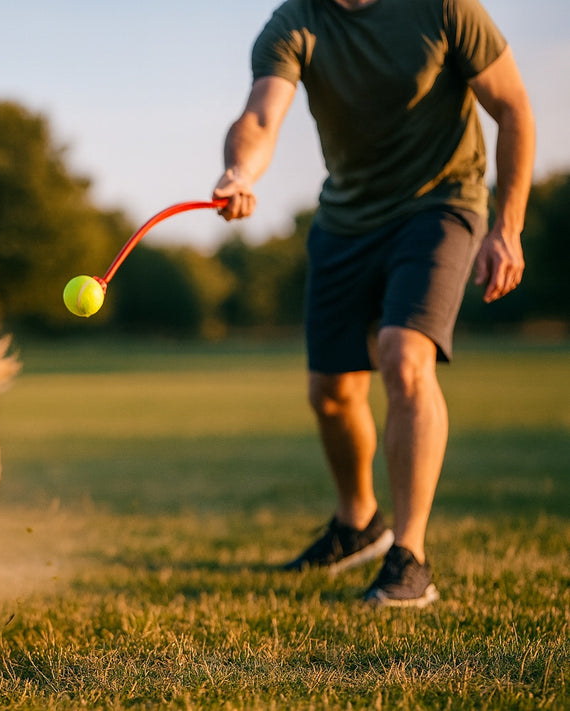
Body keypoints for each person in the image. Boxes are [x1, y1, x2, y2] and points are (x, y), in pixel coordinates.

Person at [213, 0, 534, 607]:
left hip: (441, 203)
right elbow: (260, 116)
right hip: (346, 219)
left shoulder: (444, 8)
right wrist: (239, 171)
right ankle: (359, 523)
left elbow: (513, 107)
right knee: (331, 392)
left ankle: (409, 555)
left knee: (403, 355)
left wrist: (508, 227)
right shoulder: (294, 23)